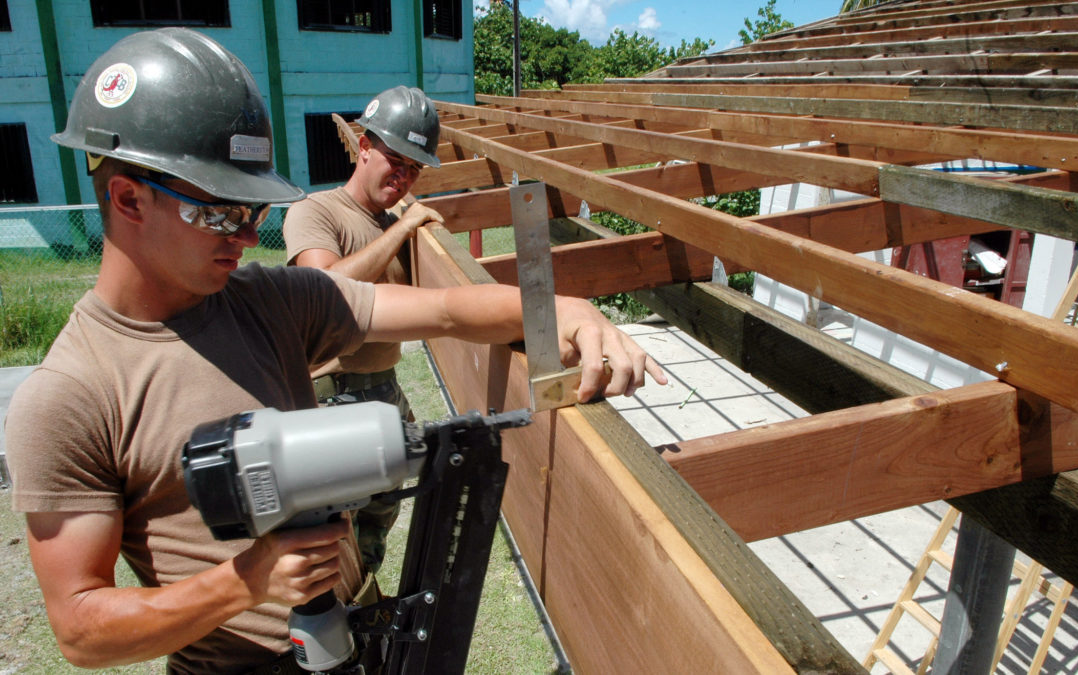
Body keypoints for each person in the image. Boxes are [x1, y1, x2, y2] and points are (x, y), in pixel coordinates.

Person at [3, 27, 665, 675]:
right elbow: (82, 629)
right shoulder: (69, 394)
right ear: (127, 197)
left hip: (358, 629)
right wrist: (247, 581)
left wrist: (566, 311)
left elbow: (442, 309)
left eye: (252, 211)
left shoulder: (270, 301)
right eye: (220, 211)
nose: (243, 234)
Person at [282, 86, 443, 575]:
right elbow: (327, 289)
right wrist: (402, 229)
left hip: (382, 387)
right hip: (331, 395)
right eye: (395, 159)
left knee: (381, 512)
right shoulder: (317, 211)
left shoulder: (393, 219)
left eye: (414, 168)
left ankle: (364, 597)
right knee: (333, 535)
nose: (404, 175)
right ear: (364, 147)